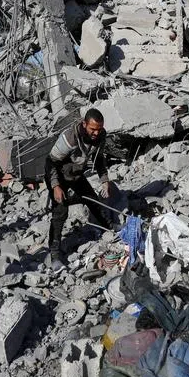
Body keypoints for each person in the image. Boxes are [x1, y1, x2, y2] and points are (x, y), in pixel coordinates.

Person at [44, 108, 116, 270]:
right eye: (93, 129)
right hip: (57, 174)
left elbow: (99, 159)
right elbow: (50, 162)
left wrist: (104, 180)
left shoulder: (100, 136)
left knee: (91, 198)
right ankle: (55, 253)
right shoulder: (69, 138)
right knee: (60, 211)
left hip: (76, 174)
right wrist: (55, 186)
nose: (96, 133)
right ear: (84, 124)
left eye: (99, 129)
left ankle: (109, 227)